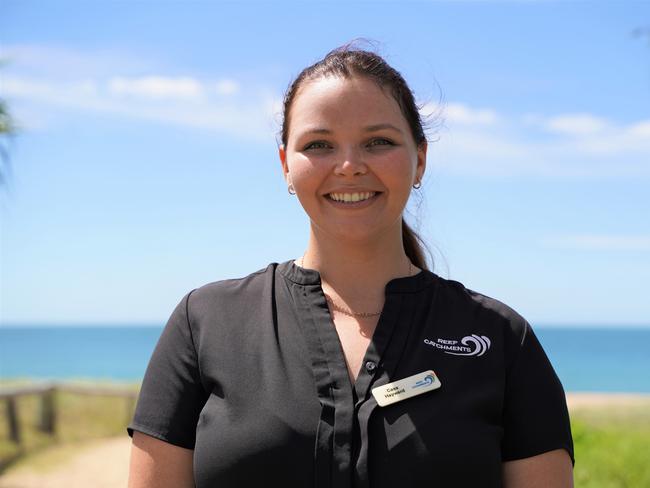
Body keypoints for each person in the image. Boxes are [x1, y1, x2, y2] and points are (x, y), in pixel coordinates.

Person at [127, 43, 575, 488]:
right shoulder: (205, 322)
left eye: (378, 142)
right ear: (285, 164)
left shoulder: (499, 337)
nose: (348, 166)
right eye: (319, 144)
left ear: (420, 159)